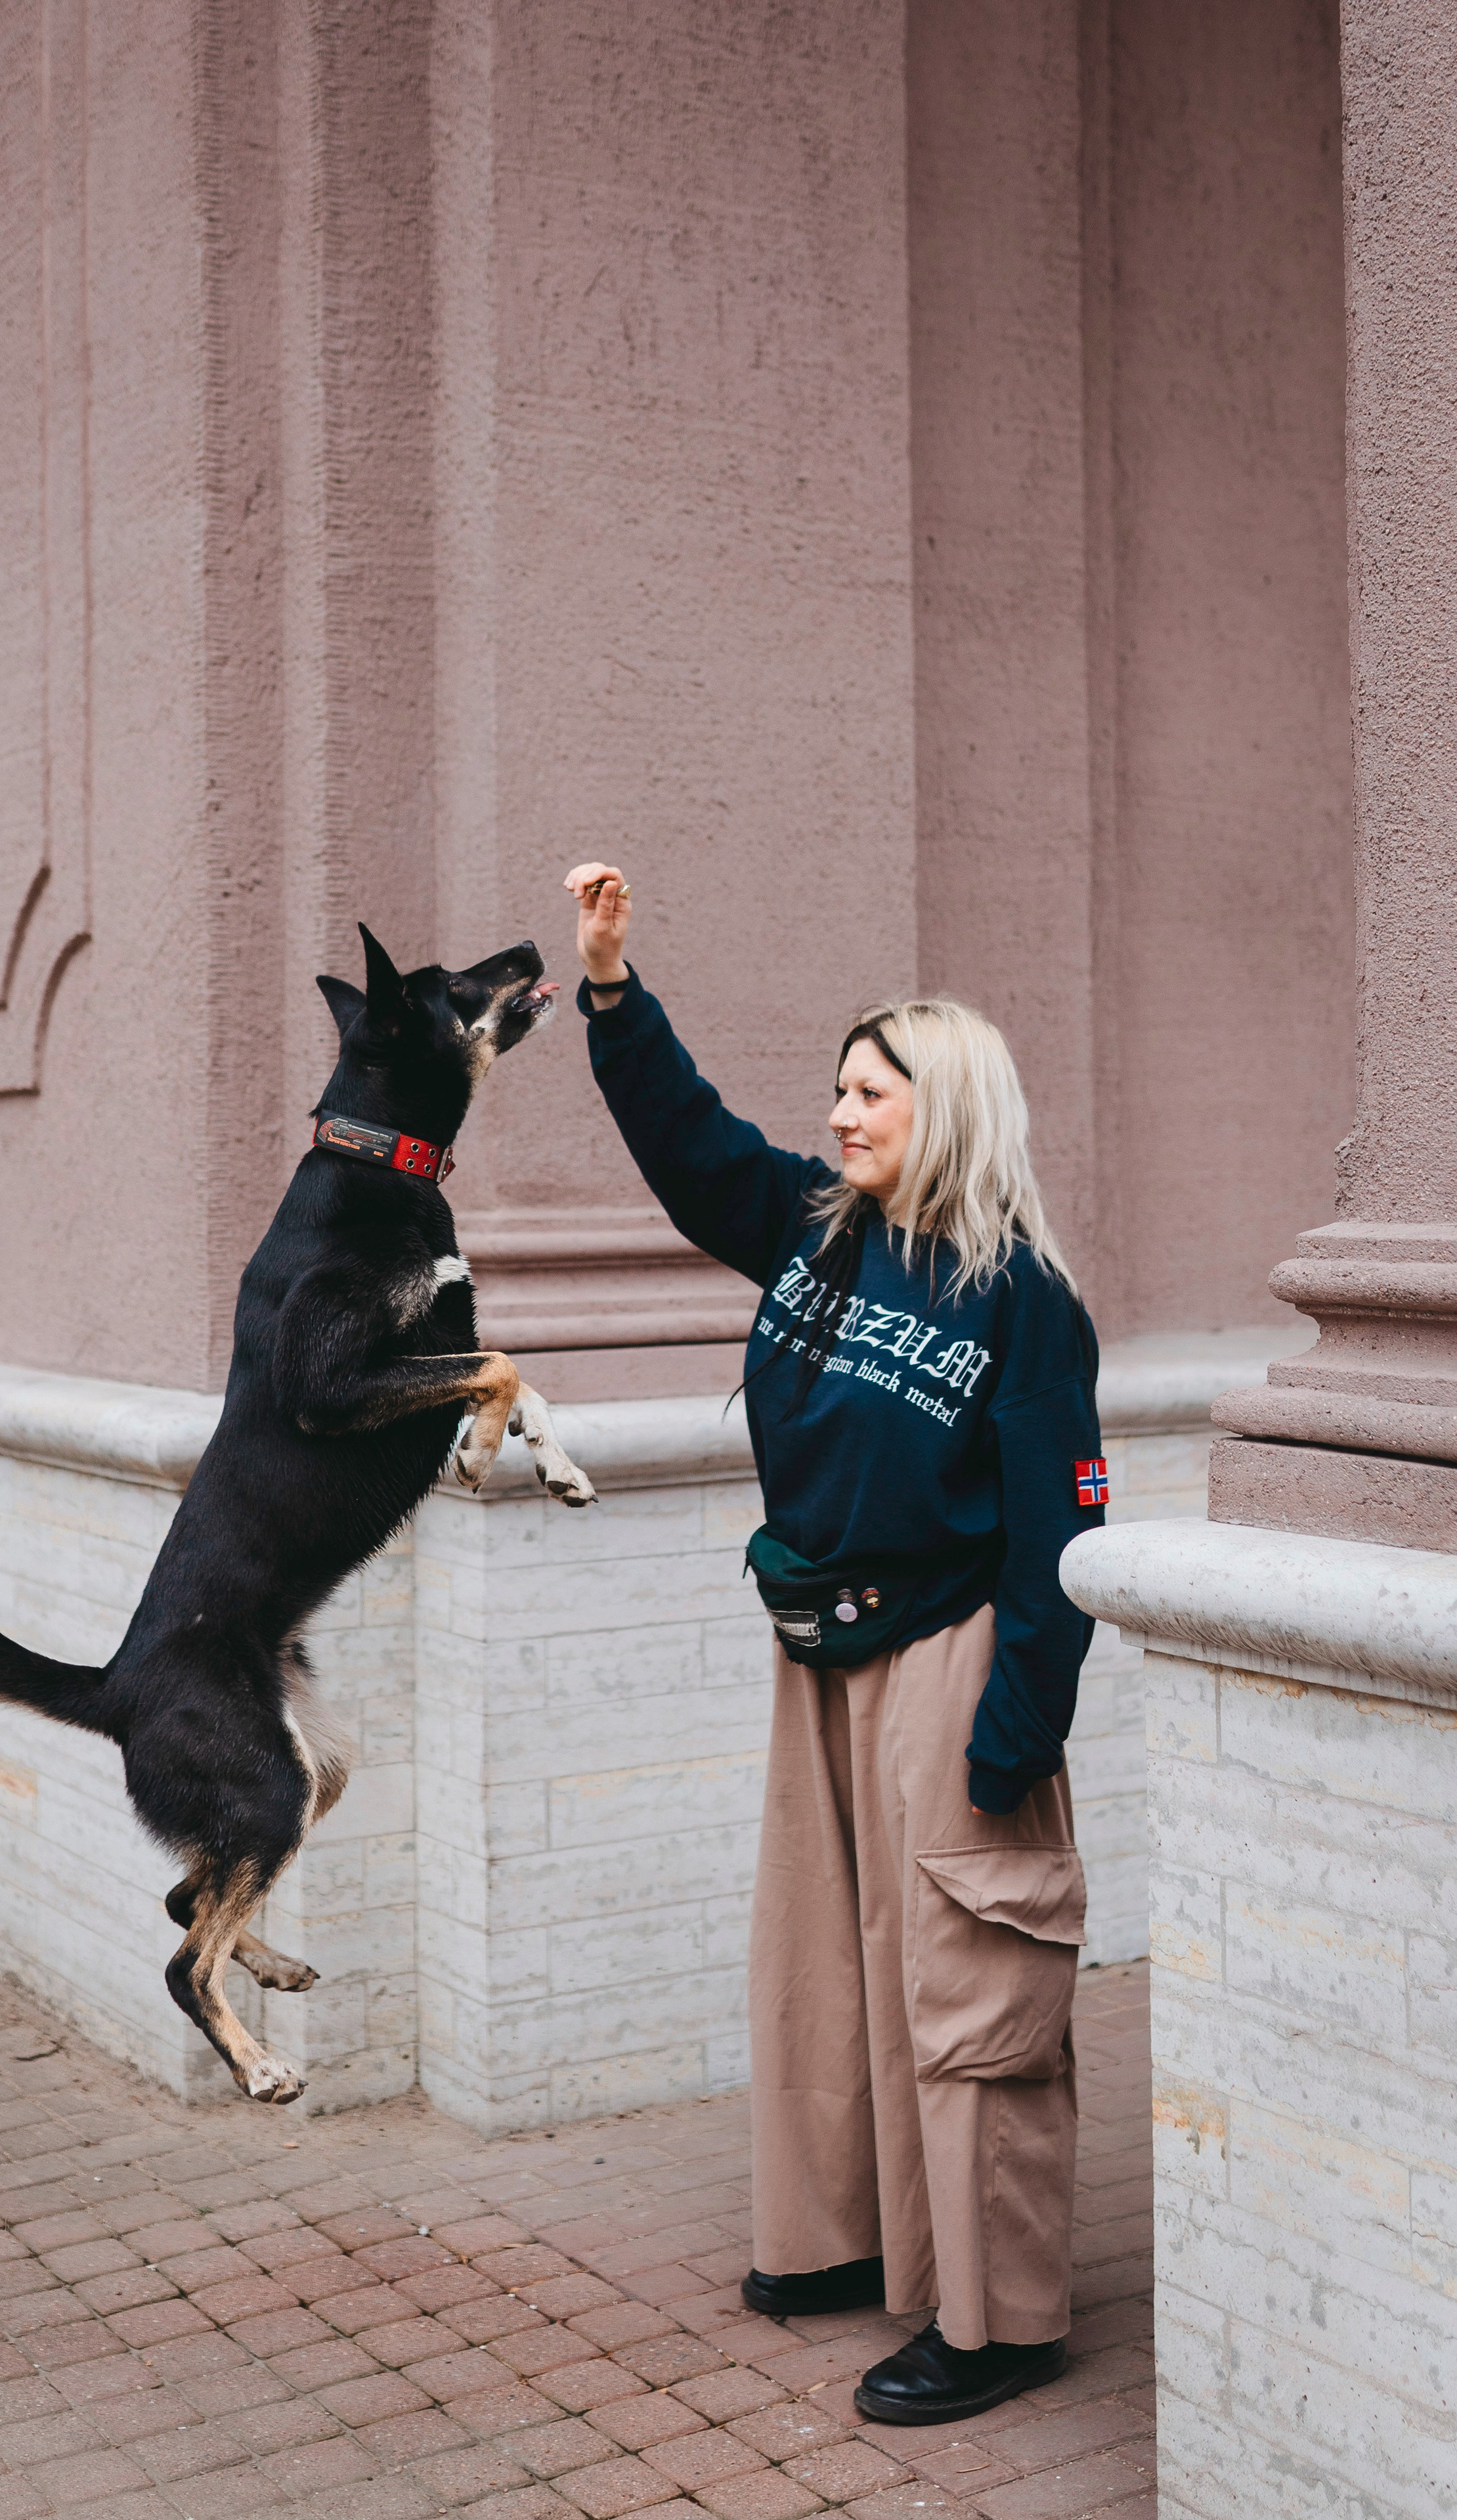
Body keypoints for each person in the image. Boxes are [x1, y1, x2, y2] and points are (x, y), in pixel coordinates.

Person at [563, 861, 1107, 2427]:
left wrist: (1016, 1729)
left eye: (869, 1091)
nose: (841, 1111)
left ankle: (993, 2318)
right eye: (837, 1088)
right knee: (819, 1968)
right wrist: (612, 988)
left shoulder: (1020, 1299)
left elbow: (1053, 1537)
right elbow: (688, 1145)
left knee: (963, 1982)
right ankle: (839, 2239)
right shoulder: (814, 1232)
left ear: (941, 1109)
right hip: (815, 1652)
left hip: (946, 1660)